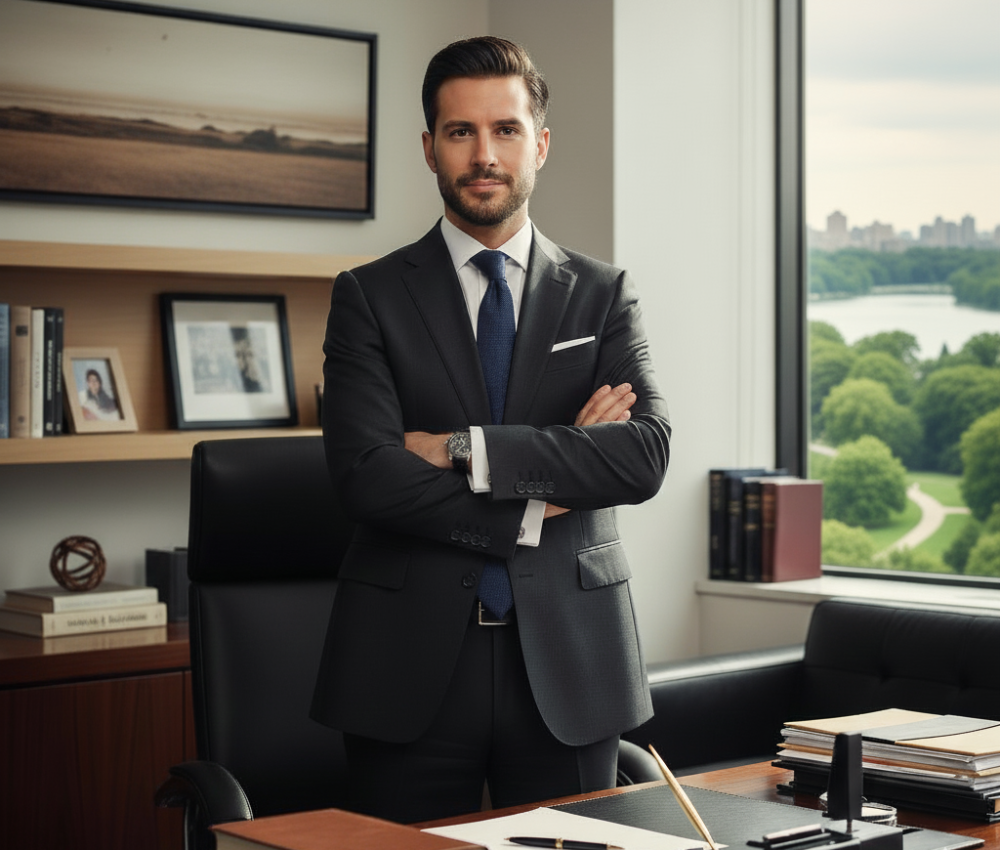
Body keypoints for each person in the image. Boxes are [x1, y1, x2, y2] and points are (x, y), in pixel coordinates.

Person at [311, 35, 671, 823]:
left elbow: (641, 458)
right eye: (460, 132)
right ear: (430, 149)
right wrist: (547, 495)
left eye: (505, 130)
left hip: (575, 661)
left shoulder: (604, 296)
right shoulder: (368, 298)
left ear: (539, 144)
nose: (485, 155)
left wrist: (458, 450)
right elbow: (367, 476)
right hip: (404, 666)